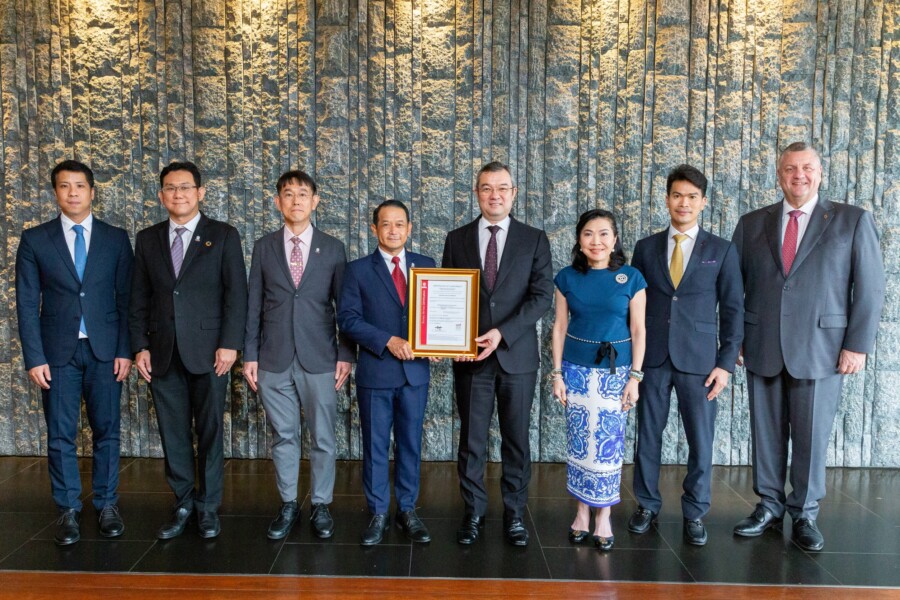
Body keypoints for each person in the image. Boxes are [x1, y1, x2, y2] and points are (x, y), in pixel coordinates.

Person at [731, 142, 884, 551]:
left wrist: (857, 345)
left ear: (820, 173)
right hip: (761, 342)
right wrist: (735, 339)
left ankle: (804, 512)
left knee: (812, 435)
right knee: (765, 432)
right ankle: (768, 505)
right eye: (790, 168)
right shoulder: (751, 223)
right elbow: (733, 288)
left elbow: (870, 288)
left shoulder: (851, 220)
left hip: (822, 347)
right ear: (779, 175)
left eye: (806, 168)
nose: (798, 175)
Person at [16, 160, 133, 545]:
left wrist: (125, 350)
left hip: (105, 352)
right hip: (56, 354)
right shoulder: (35, 239)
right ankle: (67, 508)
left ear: (92, 192)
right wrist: (35, 357)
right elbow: (26, 303)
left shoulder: (116, 238)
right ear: (56, 193)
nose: (73, 192)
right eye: (64, 186)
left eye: (79, 186)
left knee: (107, 431)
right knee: (60, 434)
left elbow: (127, 298)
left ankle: (107, 503)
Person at [130, 161, 248, 540]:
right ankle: (183, 501)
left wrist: (230, 344)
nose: (177, 194)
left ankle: (208, 505)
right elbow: (138, 298)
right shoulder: (147, 239)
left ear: (200, 192)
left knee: (210, 430)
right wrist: (140, 346)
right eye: (170, 188)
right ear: (161, 195)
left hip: (211, 353)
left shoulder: (223, 235)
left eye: (185, 187)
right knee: (173, 431)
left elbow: (237, 295)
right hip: (162, 352)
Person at [628, 165, 743, 546]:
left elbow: (733, 310)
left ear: (703, 202)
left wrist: (725, 364)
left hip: (701, 362)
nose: (684, 203)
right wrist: (632, 362)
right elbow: (633, 307)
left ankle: (695, 511)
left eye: (692, 197)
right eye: (677, 195)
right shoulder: (645, 248)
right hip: (653, 358)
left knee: (700, 439)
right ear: (667, 200)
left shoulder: (722, 250)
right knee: (648, 435)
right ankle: (647, 504)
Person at [442, 161, 554, 546]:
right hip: (471, 358)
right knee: (472, 441)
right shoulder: (456, 239)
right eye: (487, 188)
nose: (495, 195)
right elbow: (448, 296)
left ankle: (515, 513)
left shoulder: (534, 239)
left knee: (516, 440)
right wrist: (452, 340)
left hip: (516, 357)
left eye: (502, 188)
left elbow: (541, 296)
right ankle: (473, 512)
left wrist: (502, 332)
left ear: (514, 193)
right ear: (477, 193)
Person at [243, 170, 353, 540]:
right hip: (273, 358)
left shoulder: (333, 248)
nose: (295, 200)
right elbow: (253, 304)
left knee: (322, 436)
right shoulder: (264, 247)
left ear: (315, 201)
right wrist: (249, 354)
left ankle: (321, 504)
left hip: (320, 357)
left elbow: (344, 307)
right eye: (287, 194)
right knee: (284, 435)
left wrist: (345, 354)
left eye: (302, 194)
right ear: (278, 202)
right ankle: (289, 503)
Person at [338, 200, 436, 546]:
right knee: (376, 446)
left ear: (409, 228)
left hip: (415, 374)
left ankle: (407, 510)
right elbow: (347, 319)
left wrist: (439, 341)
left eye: (399, 224)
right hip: (376, 372)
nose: (393, 230)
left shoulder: (427, 265)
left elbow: (437, 313)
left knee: (410, 444)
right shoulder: (357, 270)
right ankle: (378, 511)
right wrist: (387, 340)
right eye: (385, 224)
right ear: (374, 229)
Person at [550, 209, 646, 552]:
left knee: (608, 444)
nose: (596, 241)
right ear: (579, 240)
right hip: (576, 372)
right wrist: (557, 373)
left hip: (615, 374)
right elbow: (559, 327)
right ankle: (581, 512)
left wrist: (635, 377)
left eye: (604, 233)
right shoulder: (566, 277)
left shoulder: (631, 277)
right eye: (588, 234)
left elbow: (639, 329)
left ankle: (604, 515)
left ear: (615, 239)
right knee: (579, 442)